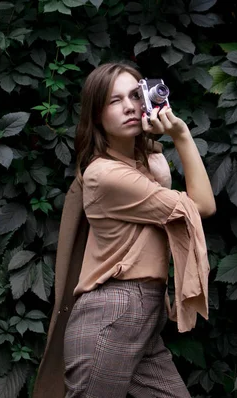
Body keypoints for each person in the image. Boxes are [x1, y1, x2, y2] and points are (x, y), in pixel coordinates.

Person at [34, 62, 215, 398]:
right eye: (114, 101)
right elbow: (202, 206)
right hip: (114, 311)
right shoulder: (105, 174)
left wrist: (160, 174)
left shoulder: (144, 168)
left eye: (135, 95)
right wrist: (182, 135)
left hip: (142, 319)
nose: (130, 106)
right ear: (96, 115)